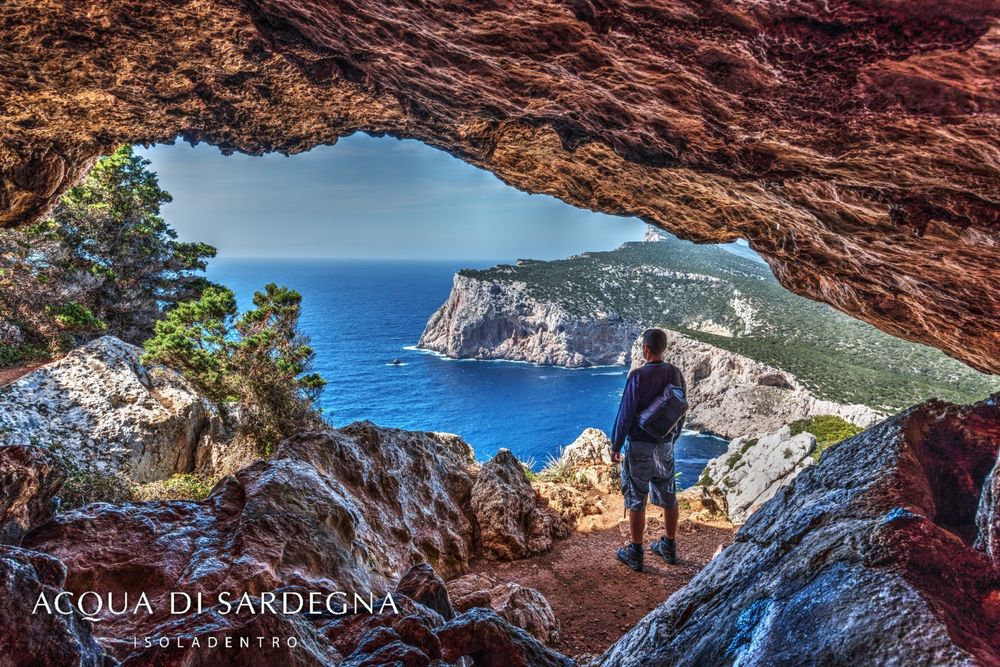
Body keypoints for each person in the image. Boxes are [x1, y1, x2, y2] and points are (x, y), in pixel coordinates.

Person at [610, 328, 687, 572]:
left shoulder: (638, 376)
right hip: (665, 445)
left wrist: (615, 445)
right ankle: (669, 546)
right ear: (663, 348)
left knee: (636, 496)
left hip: (640, 445)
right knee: (668, 494)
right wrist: (673, 439)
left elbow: (625, 415)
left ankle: (635, 551)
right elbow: (681, 409)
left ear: (645, 348)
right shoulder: (675, 373)